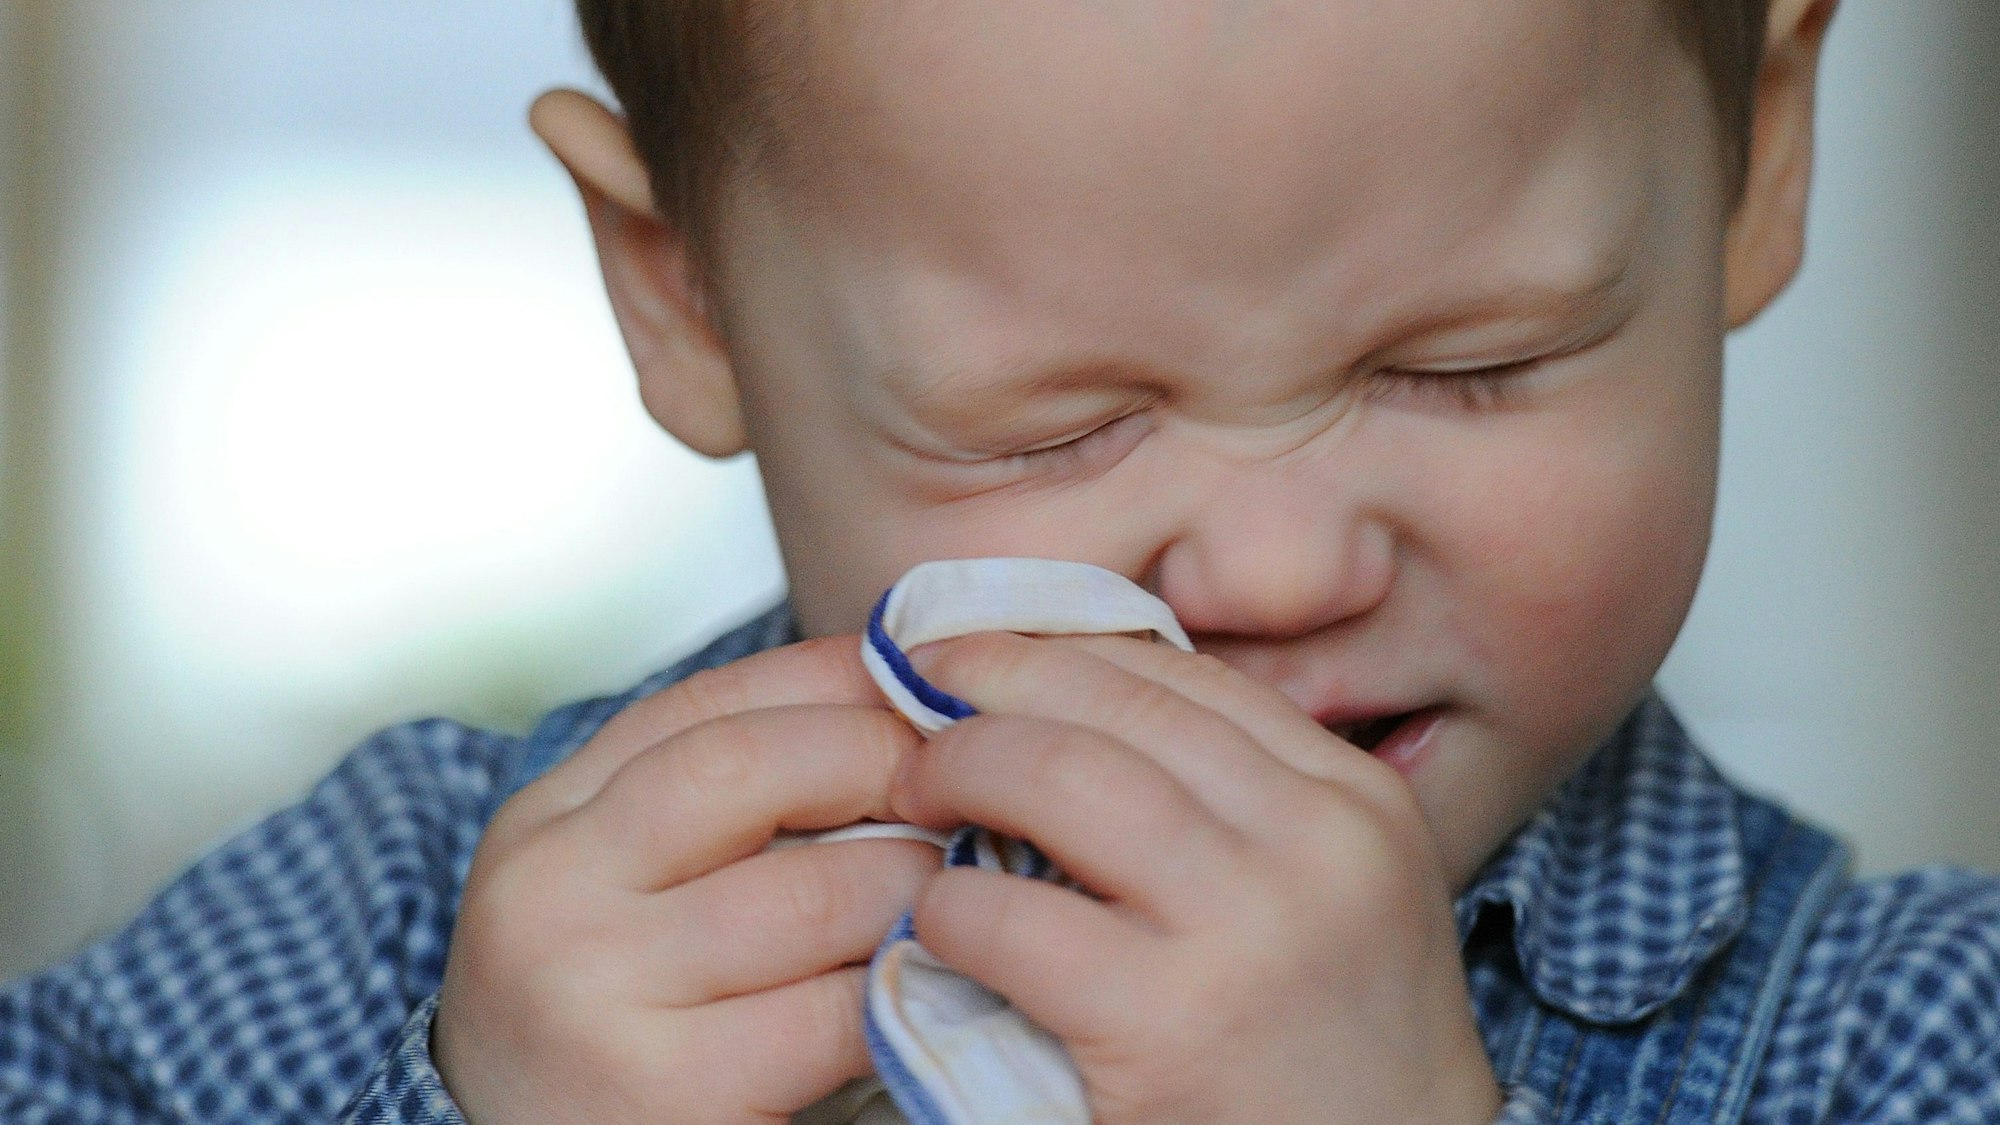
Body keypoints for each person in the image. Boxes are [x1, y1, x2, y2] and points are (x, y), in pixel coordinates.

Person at [4, 0, 1997, 1121]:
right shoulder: (386, 940)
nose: (1280, 562)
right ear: (683, 294)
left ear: (1759, 146)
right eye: (1051, 424)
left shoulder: (1903, 1042)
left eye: (1471, 365)